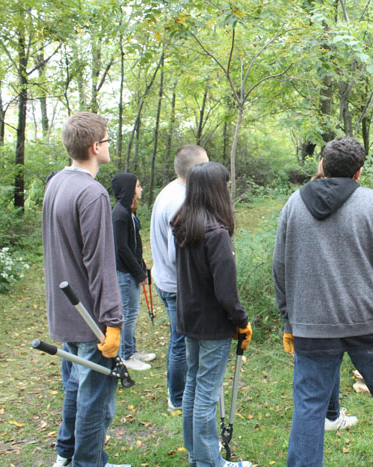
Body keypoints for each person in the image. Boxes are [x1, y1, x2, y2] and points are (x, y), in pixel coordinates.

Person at [274, 136, 373, 467]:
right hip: (370, 324)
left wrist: (289, 320)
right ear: (359, 172)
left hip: (311, 327)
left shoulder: (294, 205)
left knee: (310, 405)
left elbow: (279, 270)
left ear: (322, 166)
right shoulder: (372, 204)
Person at [42, 112, 129, 467]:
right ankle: (87, 463)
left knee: (75, 390)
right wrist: (113, 321)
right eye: (107, 140)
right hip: (91, 320)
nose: (109, 145)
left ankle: (65, 454)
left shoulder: (57, 183)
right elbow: (101, 264)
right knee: (95, 403)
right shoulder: (92, 193)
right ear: (95, 147)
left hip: (65, 313)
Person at [170, 162, 253, 467]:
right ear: (217, 191)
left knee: (194, 385)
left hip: (189, 319)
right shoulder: (215, 234)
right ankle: (208, 462)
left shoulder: (184, 224)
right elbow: (226, 292)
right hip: (212, 324)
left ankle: (198, 456)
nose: (229, 191)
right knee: (205, 391)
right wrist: (241, 321)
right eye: (226, 186)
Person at [150, 145, 209, 410]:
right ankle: (178, 398)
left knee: (179, 339)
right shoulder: (180, 201)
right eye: (206, 164)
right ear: (196, 170)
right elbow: (180, 256)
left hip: (164, 279)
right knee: (180, 342)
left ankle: (179, 393)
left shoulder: (173, 189)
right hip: (175, 285)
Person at [305, 158, 359, 432]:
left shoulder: (301, 200)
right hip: (337, 298)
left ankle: (329, 412)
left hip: (311, 299)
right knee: (329, 359)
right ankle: (330, 414)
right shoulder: (356, 200)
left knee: (321, 364)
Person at [111, 173, 155, 371]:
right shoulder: (119, 214)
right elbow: (121, 248)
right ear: (129, 189)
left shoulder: (129, 212)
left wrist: (142, 267)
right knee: (128, 313)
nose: (141, 189)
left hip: (132, 270)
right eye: (138, 186)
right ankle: (126, 355)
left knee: (132, 312)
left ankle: (131, 349)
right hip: (124, 273)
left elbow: (135, 245)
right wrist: (138, 273)